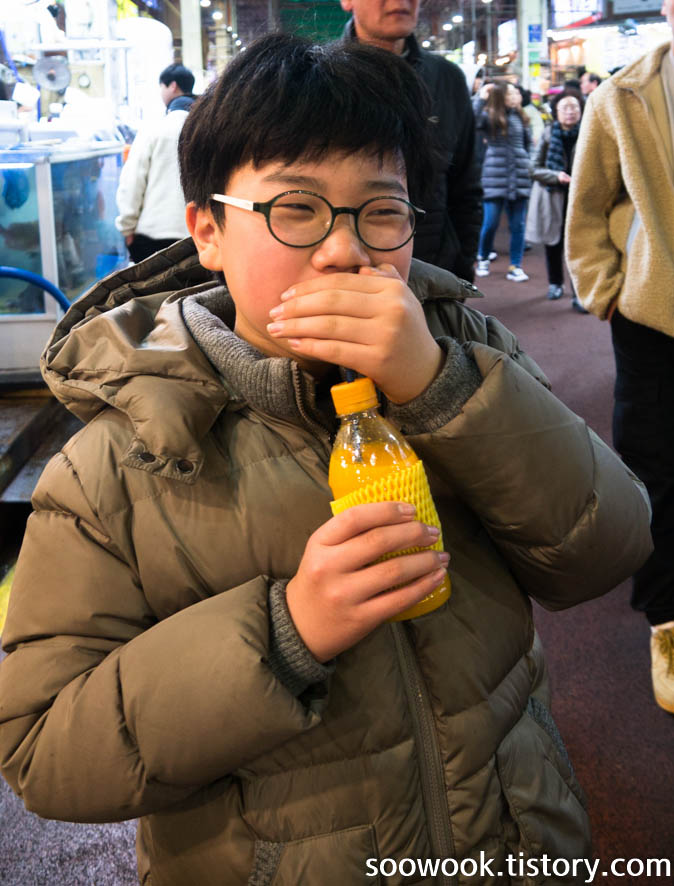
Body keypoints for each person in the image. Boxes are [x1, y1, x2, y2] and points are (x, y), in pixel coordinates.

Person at [0, 35, 652, 884]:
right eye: (296, 208)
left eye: (381, 212)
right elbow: (43, 748)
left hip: (513, 838)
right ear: (207, 230)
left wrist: (442, 389)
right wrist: (285, 632)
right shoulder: (121, 456)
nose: (346, 250)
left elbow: (607, 548)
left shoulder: (470, 357)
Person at [566, 7, 674, 714]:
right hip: (654, 319)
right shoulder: (624, 93)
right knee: (656, 463)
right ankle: (667, 620)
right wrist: (607, 291)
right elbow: (587, 206)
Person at [340, 0, 482, 281]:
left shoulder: (447, 79)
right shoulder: (319, 80)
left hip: (434, 277)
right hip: (349, 274)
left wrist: (461, 268)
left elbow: (466, 186)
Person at [115, 64, 196, 264]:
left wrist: (127, 228)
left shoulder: (154, 129)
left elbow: (132, 182)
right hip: (197, 236)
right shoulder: (206, 130)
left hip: (152, 237)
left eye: (161, 87)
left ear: (172, 86)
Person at [527, 89, 588, 311]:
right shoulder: (548, 133)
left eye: (575, 107)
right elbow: (533, 168)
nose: (570, 112)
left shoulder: (589, 132)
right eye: (565, 108)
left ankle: (579, 293)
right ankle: (555, 283)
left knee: (578, 247)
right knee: (553, 243)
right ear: (556, 112)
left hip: (580, 198)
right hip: (552, 197)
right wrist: (555, 176)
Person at [474, 80, 532, 281]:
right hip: (494, 175)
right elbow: (472, 121)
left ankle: (516, 265)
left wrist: (529, 165)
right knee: (490, 223)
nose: (517, 96)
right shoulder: (488, 115)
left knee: (518, 225)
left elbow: (528, 145)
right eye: (512, 93)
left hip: (519, 174)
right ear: (502, 97)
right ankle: (483, 257)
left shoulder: (521, 116)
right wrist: (480, 98)